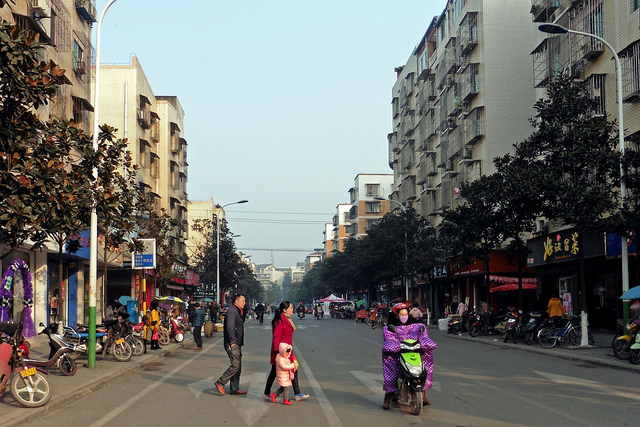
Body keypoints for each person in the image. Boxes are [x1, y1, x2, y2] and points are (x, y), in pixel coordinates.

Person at [382, 303, 437, 410]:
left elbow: (422, 335)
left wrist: (424, 342)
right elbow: (389, 338)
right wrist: (392, 345)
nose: (404, 316)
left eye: (405, 314)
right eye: (401, 314)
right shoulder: (390, 326)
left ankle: (423, 396)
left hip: (413, 350)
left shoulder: (415, 324)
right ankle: (387, 398)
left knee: (424, 369)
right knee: (392, 372)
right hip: (398, 352)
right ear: (396, 314)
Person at [263, 301, 309, 401]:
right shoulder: (280, 321)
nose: (292, 309)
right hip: (281, 352)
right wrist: (277, 353)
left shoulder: (287, 319)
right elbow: (276, 337)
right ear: (284, 310)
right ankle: (267, 393)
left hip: (287, 351)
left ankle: (297, 393)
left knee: (293, 369)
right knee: (274, 372)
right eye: (290, 308)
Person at [215, 293, 247, 395]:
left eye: (245, 301)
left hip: (237, 342)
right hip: (232, 343)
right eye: (243, 301)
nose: (244, 303)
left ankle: (234, 388)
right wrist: (232, 341)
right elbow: (230, 328)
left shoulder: (237, 311)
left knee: (238, 367)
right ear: (236, 301)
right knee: (235, 365)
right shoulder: (232, 311)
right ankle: (220, 382)